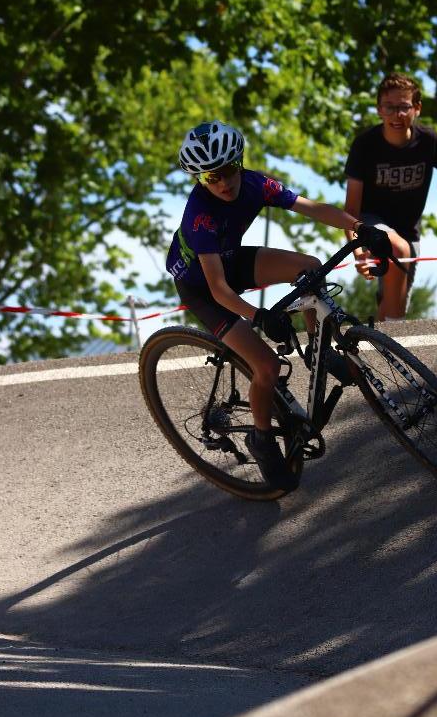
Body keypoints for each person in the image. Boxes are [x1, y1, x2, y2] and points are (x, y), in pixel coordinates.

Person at [166, 120, 391, 489]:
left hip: (230, 259)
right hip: (203, 287)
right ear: (200, 179)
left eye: (227, 171)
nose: (222, 183)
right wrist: (259, 316)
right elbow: (219, 290)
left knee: (311, 268)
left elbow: (311, 207)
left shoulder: (256, 184)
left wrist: (359, 228)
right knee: (267, 366)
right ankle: (261, 438)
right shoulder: (199, 217)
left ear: (239, 162)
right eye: (210, 177)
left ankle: (318, 352)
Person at [344, 72, 437, 321]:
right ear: (379, 109)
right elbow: (351, 210)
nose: (397, 114)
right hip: (370, 222)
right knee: (397, 247)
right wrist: (357, 250)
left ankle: (374, 342)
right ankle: (388, 333)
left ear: (417, 108)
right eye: (389, 107)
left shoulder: (428, 141)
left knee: (393, 310)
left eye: (404, 107)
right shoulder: (364, 146)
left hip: (409, 231)